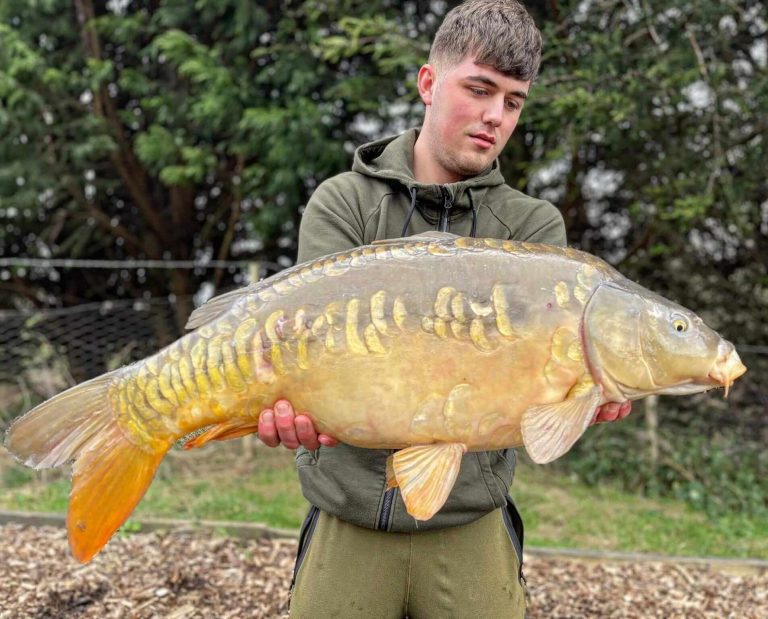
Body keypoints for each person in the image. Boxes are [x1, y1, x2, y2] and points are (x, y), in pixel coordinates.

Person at [258, 1, 631, 616]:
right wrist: (283, 402)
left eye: (513, 102)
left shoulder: (533, 228)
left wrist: (582, 394)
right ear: (428, 83)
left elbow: (537, 399)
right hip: (346, 516)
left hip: (469, 518)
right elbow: (303, 354)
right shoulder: (344, 203)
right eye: (479, 89)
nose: (494, 116)